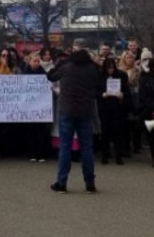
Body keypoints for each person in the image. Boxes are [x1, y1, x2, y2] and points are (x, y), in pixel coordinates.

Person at [48, 39, 99, 194]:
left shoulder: (66, 66)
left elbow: (51, 76)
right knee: (87, 148)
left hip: (68, 109)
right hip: (85, 111)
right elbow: (99, 81)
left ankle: (61, 182)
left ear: (73, 50)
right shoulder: (93, 67)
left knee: (65, 147)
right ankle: (89, 183)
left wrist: (57, 63)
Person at [98, 58, 129, 165]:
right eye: (108, 68)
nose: (110, 70)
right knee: (105, 133)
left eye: (112, 68)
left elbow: (126, 90)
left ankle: (119, 157)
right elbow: (95, 91)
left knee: (118, 133)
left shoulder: (121, 75)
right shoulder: (99, 76)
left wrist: (122, 95)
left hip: (117, 108)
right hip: (104, 108)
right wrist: (103, 94)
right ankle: (104, 156)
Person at [22, 53, 50, 162]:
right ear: (29, 62)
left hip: (41, 107)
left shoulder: (44, 73)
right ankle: (32, 154)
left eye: (38, 61)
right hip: (29, 107)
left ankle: (42, 153)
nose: (37, 63)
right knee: (31, 131)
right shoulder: (25, 74)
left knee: (41, 131)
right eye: (34, 61)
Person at [119, 50, 143, 156]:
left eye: (131, 57)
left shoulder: (137, 70)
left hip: (134, 97)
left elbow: (133, 82)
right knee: (124, 125)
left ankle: (136, 145)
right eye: (127, 57)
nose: (129, 59)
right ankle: (125, 147)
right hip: (123, 98)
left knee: (134, 123)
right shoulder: (119, 70)